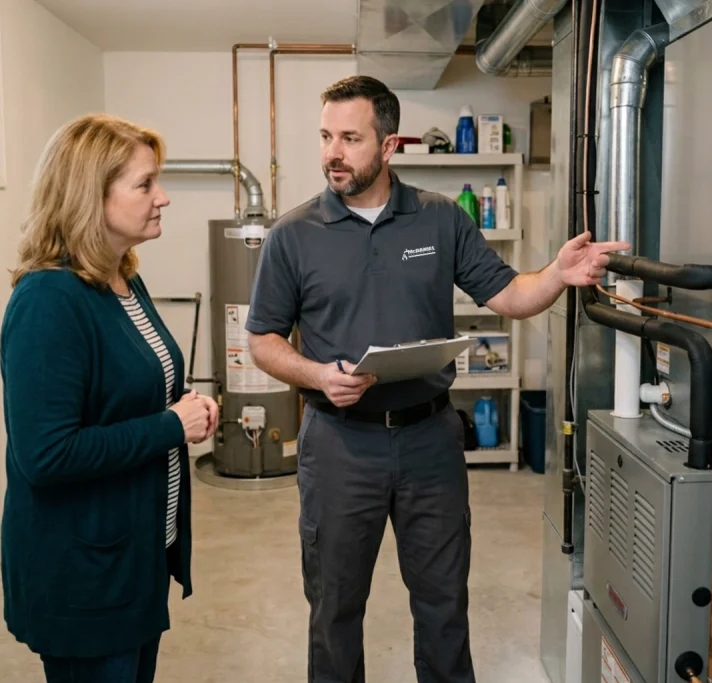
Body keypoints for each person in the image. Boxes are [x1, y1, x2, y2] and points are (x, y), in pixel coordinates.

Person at [244, 75, 629, 683]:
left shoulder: (439, 220)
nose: (332, 153)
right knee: (335, 610)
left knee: (444, 606)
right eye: (324, 137)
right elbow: (261, 340)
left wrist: (555, 274)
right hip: (340, 444)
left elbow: (508, 294)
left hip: (429, 445)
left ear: (389, 144)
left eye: (349, 137)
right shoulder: (293, 235)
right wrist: (318, 374)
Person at [0, 113, 218, 683]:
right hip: (83, 576)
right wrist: (171, 425)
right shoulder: (49, 299)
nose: (162, 197)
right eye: (145, 184)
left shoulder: (122, 279)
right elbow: (46, 455)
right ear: (88, 197)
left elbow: (131, 388)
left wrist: (186, 403)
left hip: (133, 555)